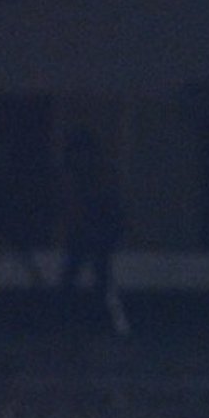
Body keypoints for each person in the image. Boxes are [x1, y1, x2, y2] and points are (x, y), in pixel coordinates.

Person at [56, 127, 126, 328]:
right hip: (82, 233)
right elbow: (70, 206)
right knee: (72, 276)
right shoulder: (72, 176)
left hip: (99, 233)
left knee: (100, 277)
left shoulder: (101, 175)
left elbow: (110, 205)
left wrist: (105, 229)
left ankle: (102, 318)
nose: (81, 157)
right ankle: (67, 318)